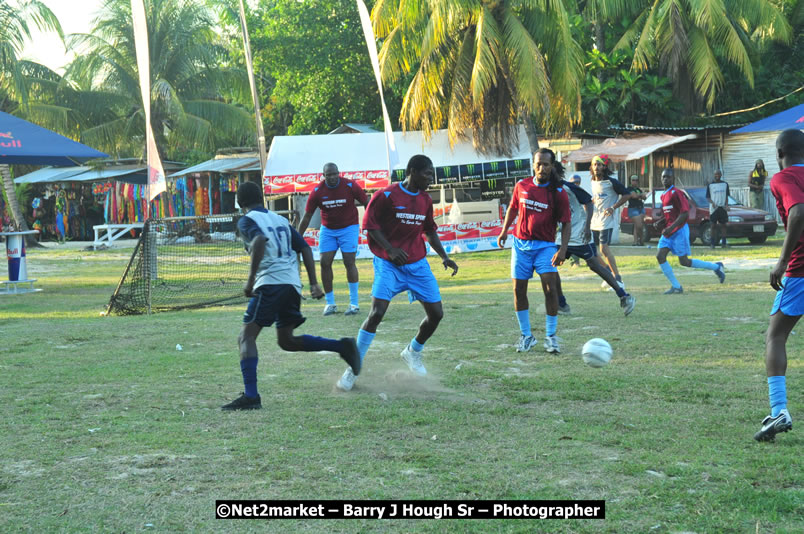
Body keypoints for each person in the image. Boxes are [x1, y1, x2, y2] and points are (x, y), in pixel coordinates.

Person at [222, 181, 361, 410]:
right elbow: (304, 247)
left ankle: (251, 396)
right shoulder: (280, 220)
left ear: (240, 202)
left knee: (246, 337)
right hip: (291, 285)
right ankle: (342, 347)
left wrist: (250, 280)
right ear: (261, 198)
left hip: (270, 284)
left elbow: (259, 241)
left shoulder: (247, 220)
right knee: (287, 341)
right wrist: (313, 283)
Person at [336, 155, 458, 391]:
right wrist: (390, 249)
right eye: (427, 174)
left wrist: (444, 256)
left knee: (436, 314)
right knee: (376, 313)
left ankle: (413, 351)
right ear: (412, 171)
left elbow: (429, 231)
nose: (431, 179)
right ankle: (353, 368)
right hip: (388, 264)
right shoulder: (386, 195)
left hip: (417, 264)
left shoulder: (425, 200)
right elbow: (370, 226)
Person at [753, 129, 804, 442]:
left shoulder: (783, 178)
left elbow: (798, 212)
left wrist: (783, 261)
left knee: (775, 336)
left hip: (800, 270)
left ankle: (779, 410)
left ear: (780, 153)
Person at [498, 148, 571, 354]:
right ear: (533, 165)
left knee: (550, 288)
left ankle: (551, 336)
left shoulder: (558, 193)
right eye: (538, 164)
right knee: (518, 290)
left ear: (552, 166)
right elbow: (513, 208)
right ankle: (526, 336)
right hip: (520, 245)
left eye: (546, 164)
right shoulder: (521, 186)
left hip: (545, 246)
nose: (542, 168)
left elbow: (566, 223)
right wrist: (504, 231)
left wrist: (563, 250)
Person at [555, 174, 636, 316]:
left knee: (595, 265)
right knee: (549, 264)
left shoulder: (569, 187)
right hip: (562, 236)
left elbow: (588, 202)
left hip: (579, 235)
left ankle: (624, 296)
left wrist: (587, 228)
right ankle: (561, 304)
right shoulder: (545, 188)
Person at [298, 162, 369, 316]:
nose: (332, 177)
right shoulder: (317, 191)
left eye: (334, 174)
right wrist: (297, 237)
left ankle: (354, 304)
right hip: (328, 229)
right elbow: (307, 216)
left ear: (339, 173)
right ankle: (330, 303)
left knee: (349, 262)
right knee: (324, 262)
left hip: (349, 227)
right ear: (323, 176)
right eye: (329, 175)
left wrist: (370, 224)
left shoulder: (349, 185)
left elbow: (367, 203)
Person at [654, 168, 726, 294]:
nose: (665, 179)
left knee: (684, 262)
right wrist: (661, 222)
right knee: (660, 256)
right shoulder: (663, 195)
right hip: (669, 232)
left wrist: (670, 228)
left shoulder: (677, 193)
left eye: (668, 177)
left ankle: (716, 267)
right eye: (663, 177)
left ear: (673, 179)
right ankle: (676, 286)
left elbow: (684, 214)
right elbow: (670, 215)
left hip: (679, 231)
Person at [590, 154, 630, 290]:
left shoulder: (611, 182)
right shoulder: (593, 181)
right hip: (594, 220)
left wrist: (613, 207)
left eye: (599, 165)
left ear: (604, 167)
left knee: (604, 249)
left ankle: (618, 279)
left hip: (606, 220)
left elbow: (627, 195)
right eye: (594, 164)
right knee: (592, 252)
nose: (596, 167)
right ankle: (609, 275)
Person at [706, 169, 730, 248]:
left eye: (719, 174)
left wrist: (727, 205)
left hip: (722, 207)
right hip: (714, 208)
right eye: (716, 174)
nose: (717, 176)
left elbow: (726, 196)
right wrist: (712, 203)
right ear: (714, 175)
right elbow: (708, 197)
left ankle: (724, 243)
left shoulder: (725, 184)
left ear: (721, 175)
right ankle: (712, 244)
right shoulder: (710, 185)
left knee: (723, 225)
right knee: (713, 225)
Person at [626, 175, 648, 246]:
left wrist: (640, 195)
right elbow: (634, 196)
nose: (635, 181)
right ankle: (641, 240)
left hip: (641, 208)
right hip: (633, 208)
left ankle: (636, 241)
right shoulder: (629, 188)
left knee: (637, 226)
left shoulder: (638, 189)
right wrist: (641, 195)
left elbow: (645, 197)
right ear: (630, 181)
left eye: (636, 180)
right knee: (639, 226)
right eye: (633, 180)